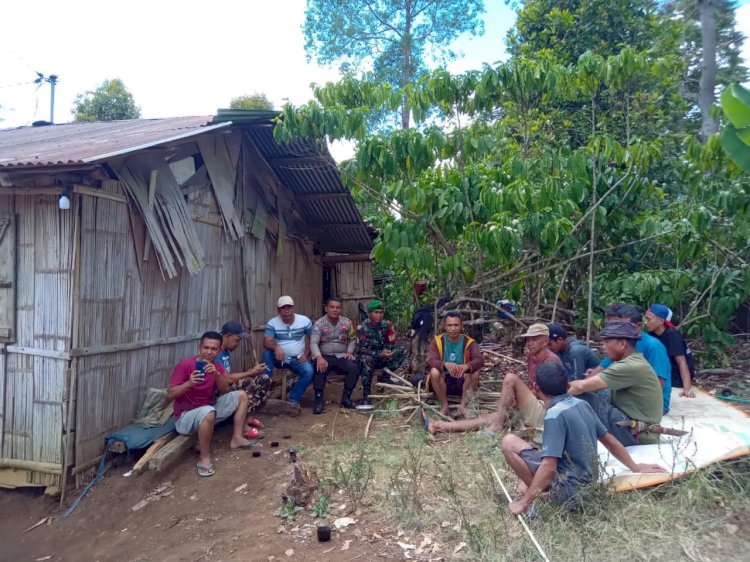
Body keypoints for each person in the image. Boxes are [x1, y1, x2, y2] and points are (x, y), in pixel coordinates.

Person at [502, 361, 666, 516]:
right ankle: (538, 492)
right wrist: (635, 467)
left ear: (535, 388)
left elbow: (549, 466)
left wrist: (523, 504)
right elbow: (610, 442)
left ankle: (541, 498)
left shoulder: (553, 415)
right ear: (567, 385)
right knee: (531, 447)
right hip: (589, 486)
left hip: (569, 493)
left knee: (509, 442)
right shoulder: (582, 404)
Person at [425, 323, 562, 435]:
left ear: (545, 341)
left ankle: (497, 426)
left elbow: (549, 395)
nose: (530, 343)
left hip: (544, 413)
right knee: (486, 418)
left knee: (510, 378)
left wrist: (518, 399)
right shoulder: (532, 357)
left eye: (535, 339)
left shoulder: (551, 361)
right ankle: (438, 426)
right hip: (533, 406)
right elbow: (533, 386)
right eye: (529, 339)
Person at [168, 331, 257, 477]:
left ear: (219, 350)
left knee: (241, 395)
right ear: (199, 347)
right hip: (186, 418)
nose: (209, 352)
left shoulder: (216, 367)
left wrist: (216, 375)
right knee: (208, 411)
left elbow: (225, 390)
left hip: (209, 409)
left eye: (213, 349)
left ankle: (237, 438)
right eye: (206, 347)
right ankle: (204, 458)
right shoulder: (185, 365)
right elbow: (171, 394)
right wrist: (189, 383)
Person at [568, 321, 663, 446]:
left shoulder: (630, 366)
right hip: (638, 427)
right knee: (596, 391)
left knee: (581, 396)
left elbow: (581, 386)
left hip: (638, 433)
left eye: (607, 342)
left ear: (622, 343)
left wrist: (548, 395)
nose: (603, 346)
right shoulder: (632, 361)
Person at [588, 304, 672, 413]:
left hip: (647, 403)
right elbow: (599, 370)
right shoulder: (619, 345)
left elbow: (657, 386)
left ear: (638, 326)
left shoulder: (654, 347)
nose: (619, 331)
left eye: (624, 326)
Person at [426, 312, 484, 417]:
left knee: (475, 371)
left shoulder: (469, 342)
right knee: (434, 372)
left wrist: (467, 366)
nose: (453, 328)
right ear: (445, 327)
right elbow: (431, 360)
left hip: (462, 383)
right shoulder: (437, 341)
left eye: (456, 325)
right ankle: (444, 405)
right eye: (450, 325)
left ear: (461, 326)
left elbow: (479, 360)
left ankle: (463, 406)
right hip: (444, 382)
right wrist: (444, 365)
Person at [217, 321, 269, 438]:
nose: (238, 343)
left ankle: (248, 417)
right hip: (218, 392)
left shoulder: (226, 351)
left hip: (227, 387)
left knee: (264, 379)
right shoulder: (216, 352)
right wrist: (250, 373)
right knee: (248, 382)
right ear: (227, 336)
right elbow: (226, 378)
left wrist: (250, 373)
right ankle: (243, 428)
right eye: (237, 339)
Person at [262, 296, 314, 409]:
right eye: (283, 308)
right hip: (279, 358)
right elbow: (267, 342)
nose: (286, 310)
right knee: (267, 352)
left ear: (293, 308)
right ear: (278, 310)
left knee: (309, 371)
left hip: (297, 358)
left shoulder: (304, 321)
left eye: (289, 307)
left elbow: (312, 339)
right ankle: (263, 391)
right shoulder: (273, 322)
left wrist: (306, 354)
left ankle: (293, 399)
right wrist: (276, 347)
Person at [310, 296, 359, 414]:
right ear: (326, 308)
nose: (335, 310)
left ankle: (346, 398)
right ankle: (319, 400)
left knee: (354, 368)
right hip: (325, 355)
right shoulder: (319, 324)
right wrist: (319, 357)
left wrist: (350, 352)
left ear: (340, 309)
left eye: (337, 307)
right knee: (319, 368)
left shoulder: (347, 323)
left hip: (342, 355)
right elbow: (313, 343)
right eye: (332, 307)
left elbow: (353, 339)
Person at [356, 299, 407, 405]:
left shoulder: (388, 325)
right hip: (370, 357)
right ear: (370, 314)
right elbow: (361, 349)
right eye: (376, 312)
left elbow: (391, 342)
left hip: (384, 355)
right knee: (366, 359)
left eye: (381, 312)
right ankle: (366, 395)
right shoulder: (362, 327)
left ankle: (385, 376)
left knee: (402, 350)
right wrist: (379, 354)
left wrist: (388, 352)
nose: (379, 315)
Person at [645, 304, 696, 398]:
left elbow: (682, 362)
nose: (646, 322)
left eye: (649, 319)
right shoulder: (651, 335)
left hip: (675, 377)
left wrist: (687, 389)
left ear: (661, 321)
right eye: (645, 319)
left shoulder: (672, 335)